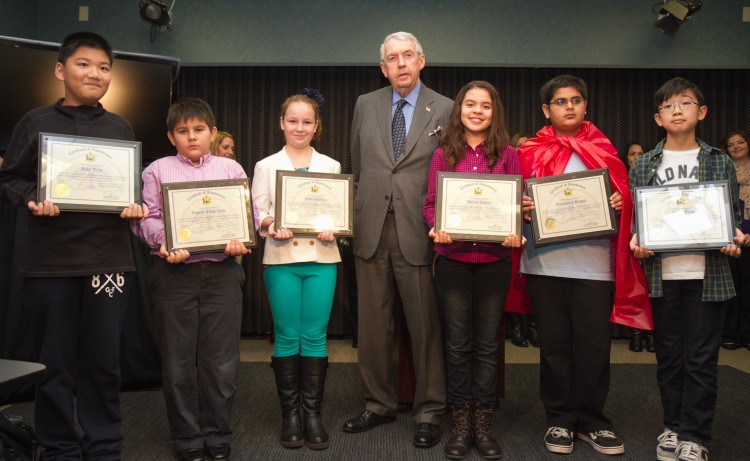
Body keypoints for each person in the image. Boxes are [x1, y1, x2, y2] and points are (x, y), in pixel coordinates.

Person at [0, 31, 148, 460]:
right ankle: (59, 445)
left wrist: (133, 205)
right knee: (55, 362)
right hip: (51, 263)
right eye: (84, 64)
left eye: (104, 68)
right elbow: (11, 178)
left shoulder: (120, 126)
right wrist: (31, 198)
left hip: (109, 260)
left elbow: (127, 189)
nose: (95, 74)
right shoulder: (34, 121)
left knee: (104, 362)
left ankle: (104, 445)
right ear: (61, 70)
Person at [519, 74, 651, 456]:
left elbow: (625, 198)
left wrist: (620, 202)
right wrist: (523, 208)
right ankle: (559, 420)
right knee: (555, 347)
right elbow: (512, 200)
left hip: (594, 265)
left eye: (576, 100)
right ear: (547, 110)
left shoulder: (603, 147)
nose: (570, 107)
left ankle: (593, 421)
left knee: (594, 346)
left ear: (585, 105)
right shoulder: (531, 150)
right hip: (545, 265)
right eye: (561, 102)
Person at [343, 31, 452, 448]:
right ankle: (377, 405)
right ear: (383, 67)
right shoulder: (365, 105)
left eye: (408, 56)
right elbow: (358, 160)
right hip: (371, 227)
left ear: (421, 61)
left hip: (418, 230)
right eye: (393, 58)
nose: (401, 63)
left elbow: (450, 169)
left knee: (425, 326)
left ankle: (429, 411)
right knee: (372, 327)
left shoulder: (445, 107)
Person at [630, 78, 746, 461]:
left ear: (702, 112)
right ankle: (673, 426)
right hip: (662, 278)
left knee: (701, 360)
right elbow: (637, 221)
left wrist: (735, 237)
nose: (677, 109)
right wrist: (636, 241)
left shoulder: (718, 160)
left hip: (707, 275)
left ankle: (696, 436)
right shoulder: (646, 162)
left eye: (685, 103)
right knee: (669, 358)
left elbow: (729, 216)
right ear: (658, 118)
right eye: (668, 105)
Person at [133, 97, 250, 461]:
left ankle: (217, 435)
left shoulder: (231, 171)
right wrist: (163, 240)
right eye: (183, 131)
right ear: (171, 137)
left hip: (222, 274)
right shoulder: (156, 171)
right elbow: (146, 218)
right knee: (178, 363)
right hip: (174, 275)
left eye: (199, 130)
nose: (192, 137)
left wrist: (240, 240)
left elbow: (248, 216)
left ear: (212, 133)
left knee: (221, 363)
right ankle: (186, 439)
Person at [423, 81, 523, 460]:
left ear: (494, 111)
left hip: (495, 263)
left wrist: (516, 232)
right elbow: (431, 204)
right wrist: (436, 225)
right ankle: (460, 423)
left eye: (485, 105)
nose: (477, 111)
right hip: (453, 262)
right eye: (470, 104)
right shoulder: (442, 154)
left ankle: (484, 422)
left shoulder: (509, 155)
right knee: (457, 344)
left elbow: (516, 206)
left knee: (486, 345)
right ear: (459, 110)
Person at [251, 90, 341, 450]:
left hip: (322, 258)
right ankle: (290, 415)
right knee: (288, 335)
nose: (299, 127)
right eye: (292, 121)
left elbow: (337, 212)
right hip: (281, 259)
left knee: (315, 335)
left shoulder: (331, 166)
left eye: (306, 122)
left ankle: (313, 414)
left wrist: (334, 225)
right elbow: (258, 213)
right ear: (281, 124)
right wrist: (271, 223)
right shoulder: (265, 165)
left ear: (316, 126)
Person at [620, 142, 655, 353]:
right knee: (633, 290)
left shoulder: (651, 176)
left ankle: (650, 336)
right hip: (627, 240)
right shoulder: (620, 177)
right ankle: (635, 334)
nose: (636, 157)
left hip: (652, 240)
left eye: (640, 153)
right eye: (632, 154)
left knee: (651, 290)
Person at [506, 132, 538, 348]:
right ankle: (516, 327)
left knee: (533, 283)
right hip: (512, 232)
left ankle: (534, 327)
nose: (523, 149)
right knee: (514, 284)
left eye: (528, 146)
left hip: (536, 231)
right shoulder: (506, 167)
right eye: (519, 146)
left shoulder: (540, 169)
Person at [721, 130, 750, 351]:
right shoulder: (723, 171)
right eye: (731, 145)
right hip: (729, 241)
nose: (736, 147)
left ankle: (747, 335)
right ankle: (730, 333)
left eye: (740, 142)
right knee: (730, 290)